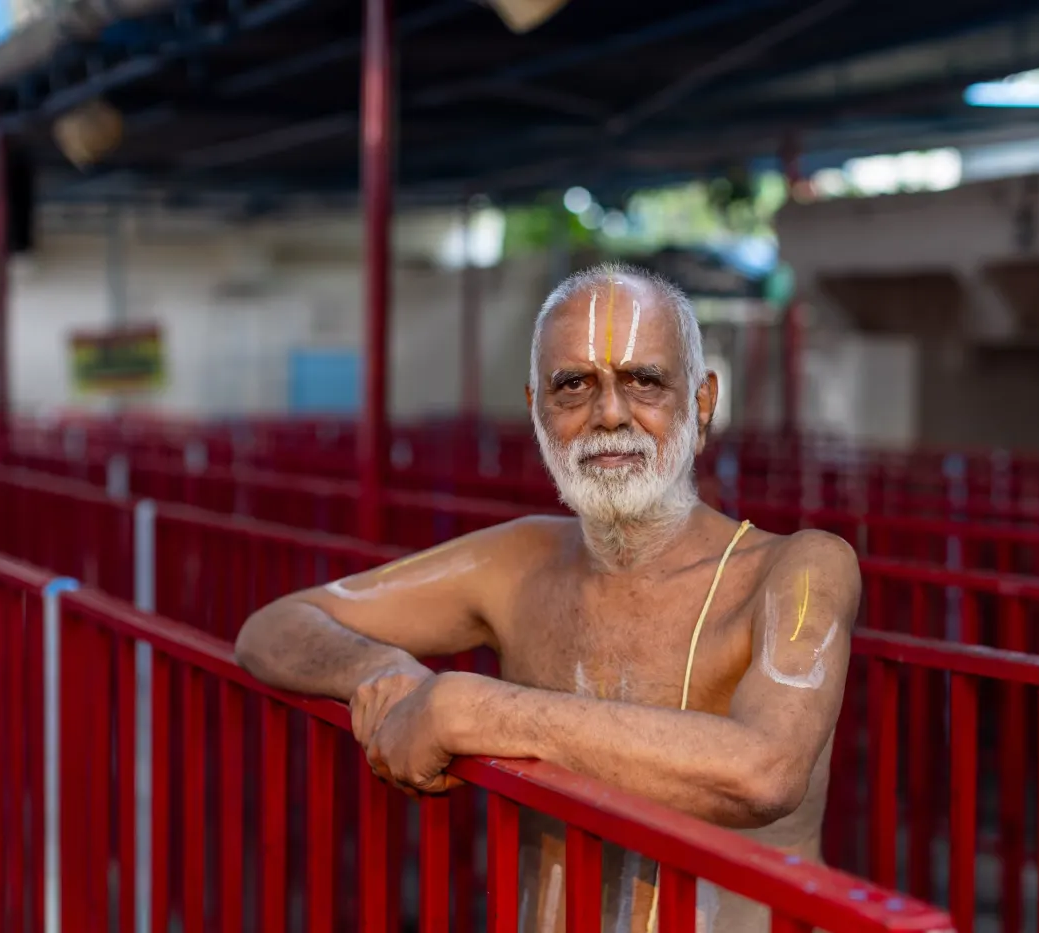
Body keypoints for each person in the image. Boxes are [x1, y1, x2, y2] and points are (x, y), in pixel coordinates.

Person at [235, 261, 860, 933]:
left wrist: (470, 709)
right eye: (574, 386)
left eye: (644, 380)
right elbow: (274, 627)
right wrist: (384, 673)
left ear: (701, 403)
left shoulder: (801, 569)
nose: (611, 413)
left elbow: (765, 769)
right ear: (537, 407)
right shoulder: (516, 558)